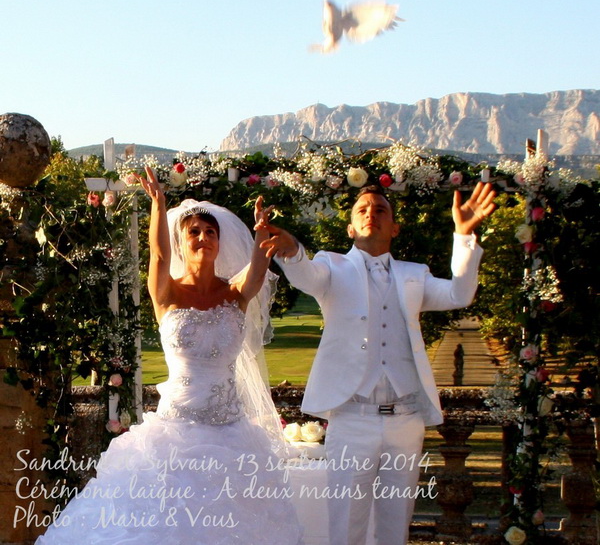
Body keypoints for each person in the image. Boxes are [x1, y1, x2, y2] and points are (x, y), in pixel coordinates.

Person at [37, 167, 303, 545]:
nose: (203, 237)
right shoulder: (166, 292)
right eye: (193, 231)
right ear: (182, 241)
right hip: (175, 431)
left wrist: (261, 233)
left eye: (210, 232)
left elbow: (260, 266)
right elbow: (159, 254)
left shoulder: (236, 293)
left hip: (232, 433)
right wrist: (159, 207)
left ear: (219, 242)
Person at [259, 181, 496, 545]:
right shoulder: (330, 266)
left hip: (406, 419)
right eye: (363, 209)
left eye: (381, 209)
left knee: (395, 526)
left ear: (395, 227)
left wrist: (464, 237)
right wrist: (292, 252)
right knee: (346, 526)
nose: (372, 213)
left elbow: (459, 294)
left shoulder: (414, 274)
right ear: (351, 228)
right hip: (352, 420)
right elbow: (306, 275)